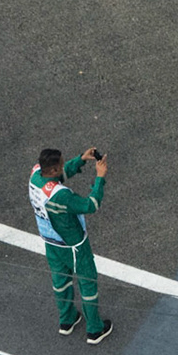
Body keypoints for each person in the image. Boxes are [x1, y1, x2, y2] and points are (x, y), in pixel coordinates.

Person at [29, 146, 113, 344]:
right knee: (87, 282)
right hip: (73, 245)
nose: (63, 167)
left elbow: (58, 176)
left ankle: (67, 319)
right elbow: (90, 205)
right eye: (60, 165)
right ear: (52, 170)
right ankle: (94, 329)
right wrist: (100, 178)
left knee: (61, 281)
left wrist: (81, 159)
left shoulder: (35, 175)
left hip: (51, 241)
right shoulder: (62, 196)